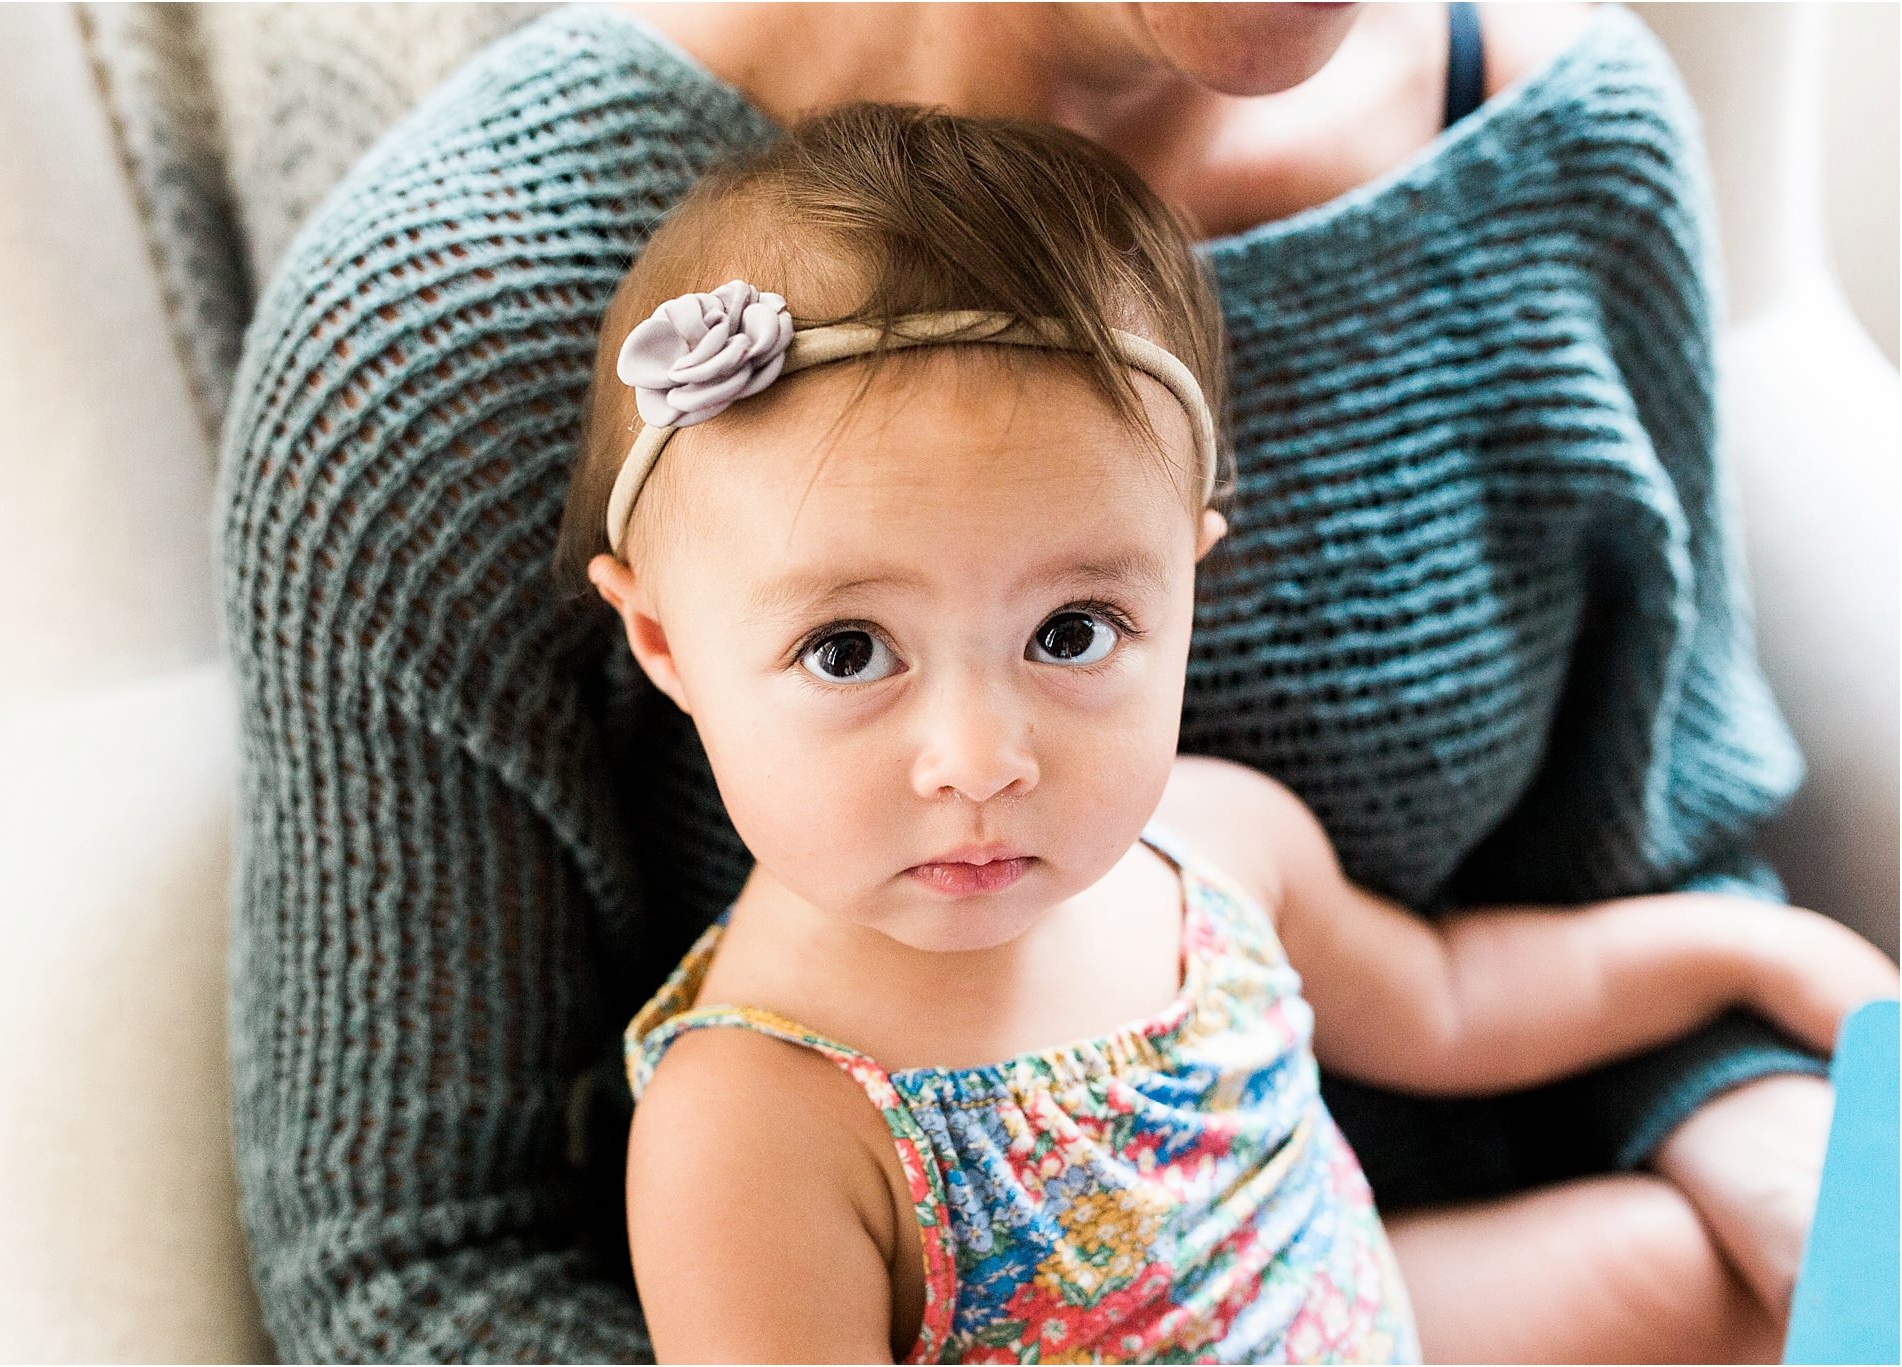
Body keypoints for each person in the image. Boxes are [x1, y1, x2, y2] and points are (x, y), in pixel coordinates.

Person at [215, 3, 1861, 1360]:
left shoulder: (1565, 140)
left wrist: (1755, 1086)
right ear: (663, 637)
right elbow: (422, 1275)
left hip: (1364, 1285)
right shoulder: (448, 328)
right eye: (850, 652)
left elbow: (1535, 937)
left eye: (1075, 632)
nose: (980, 757)